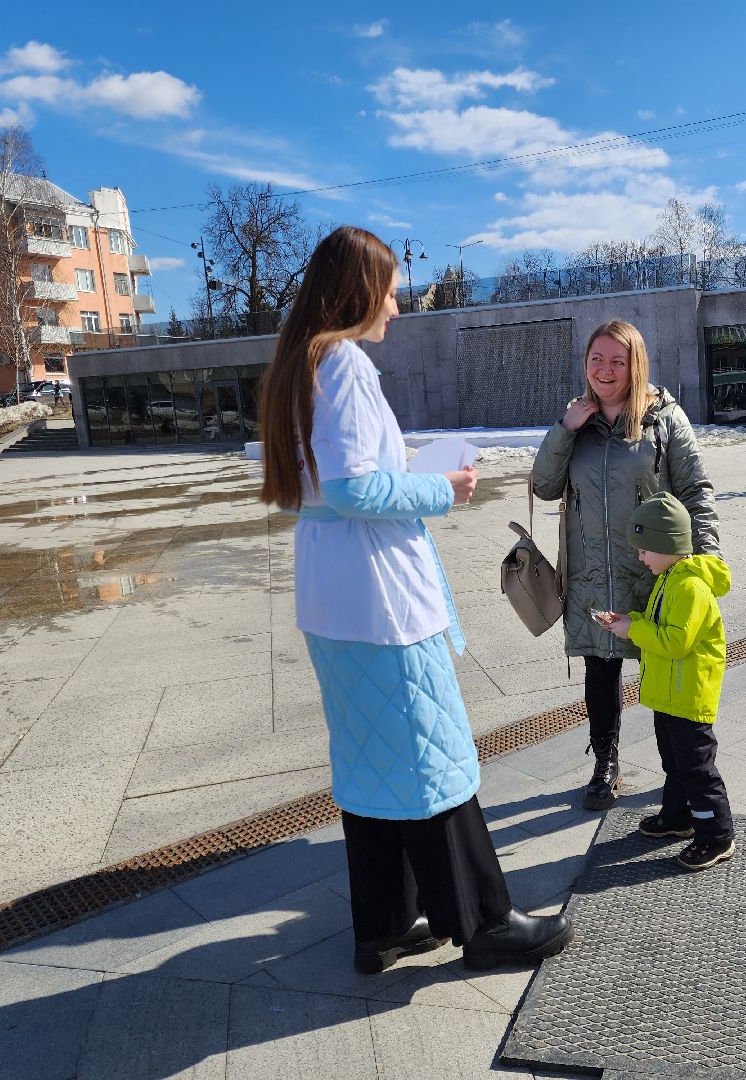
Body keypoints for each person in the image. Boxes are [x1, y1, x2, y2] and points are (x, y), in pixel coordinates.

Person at [258, 225, 573, 974]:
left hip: (335, 596)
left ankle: (387, 924)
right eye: (391, 289)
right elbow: (356, 486)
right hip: (379, 599)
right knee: (432, 755)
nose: (397, 305)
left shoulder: (300, 363)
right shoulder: (344, 365)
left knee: (371, 761)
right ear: (359, 289)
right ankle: (486, 923)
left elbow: (330, 486)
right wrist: (445, 486)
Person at [532, 320, 720, 812]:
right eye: (597, 358)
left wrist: (706, 559)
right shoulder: (578, 422)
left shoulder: (663, 417)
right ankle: (606, 762)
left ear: (636, 364)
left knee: (665, 667)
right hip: (593, 570)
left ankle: (681, 777)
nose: (605, 369)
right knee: (600, 669)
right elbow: (544, 486)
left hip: (653, 570)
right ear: (585, 363)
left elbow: (695, 491)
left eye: (618, 360)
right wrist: (565, 429)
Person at [599, 493, 735, 871]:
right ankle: (679, 818)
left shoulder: (690, 587)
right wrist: (631, 619)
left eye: (646, 549)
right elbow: (658, 622)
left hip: (688, 697)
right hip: (669, 696)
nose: (641, 557)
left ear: (669, 545)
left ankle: (716, 836)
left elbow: (675, 642)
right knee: (674, 763)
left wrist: (634, 630)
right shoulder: (669, 578)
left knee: (697, 768)